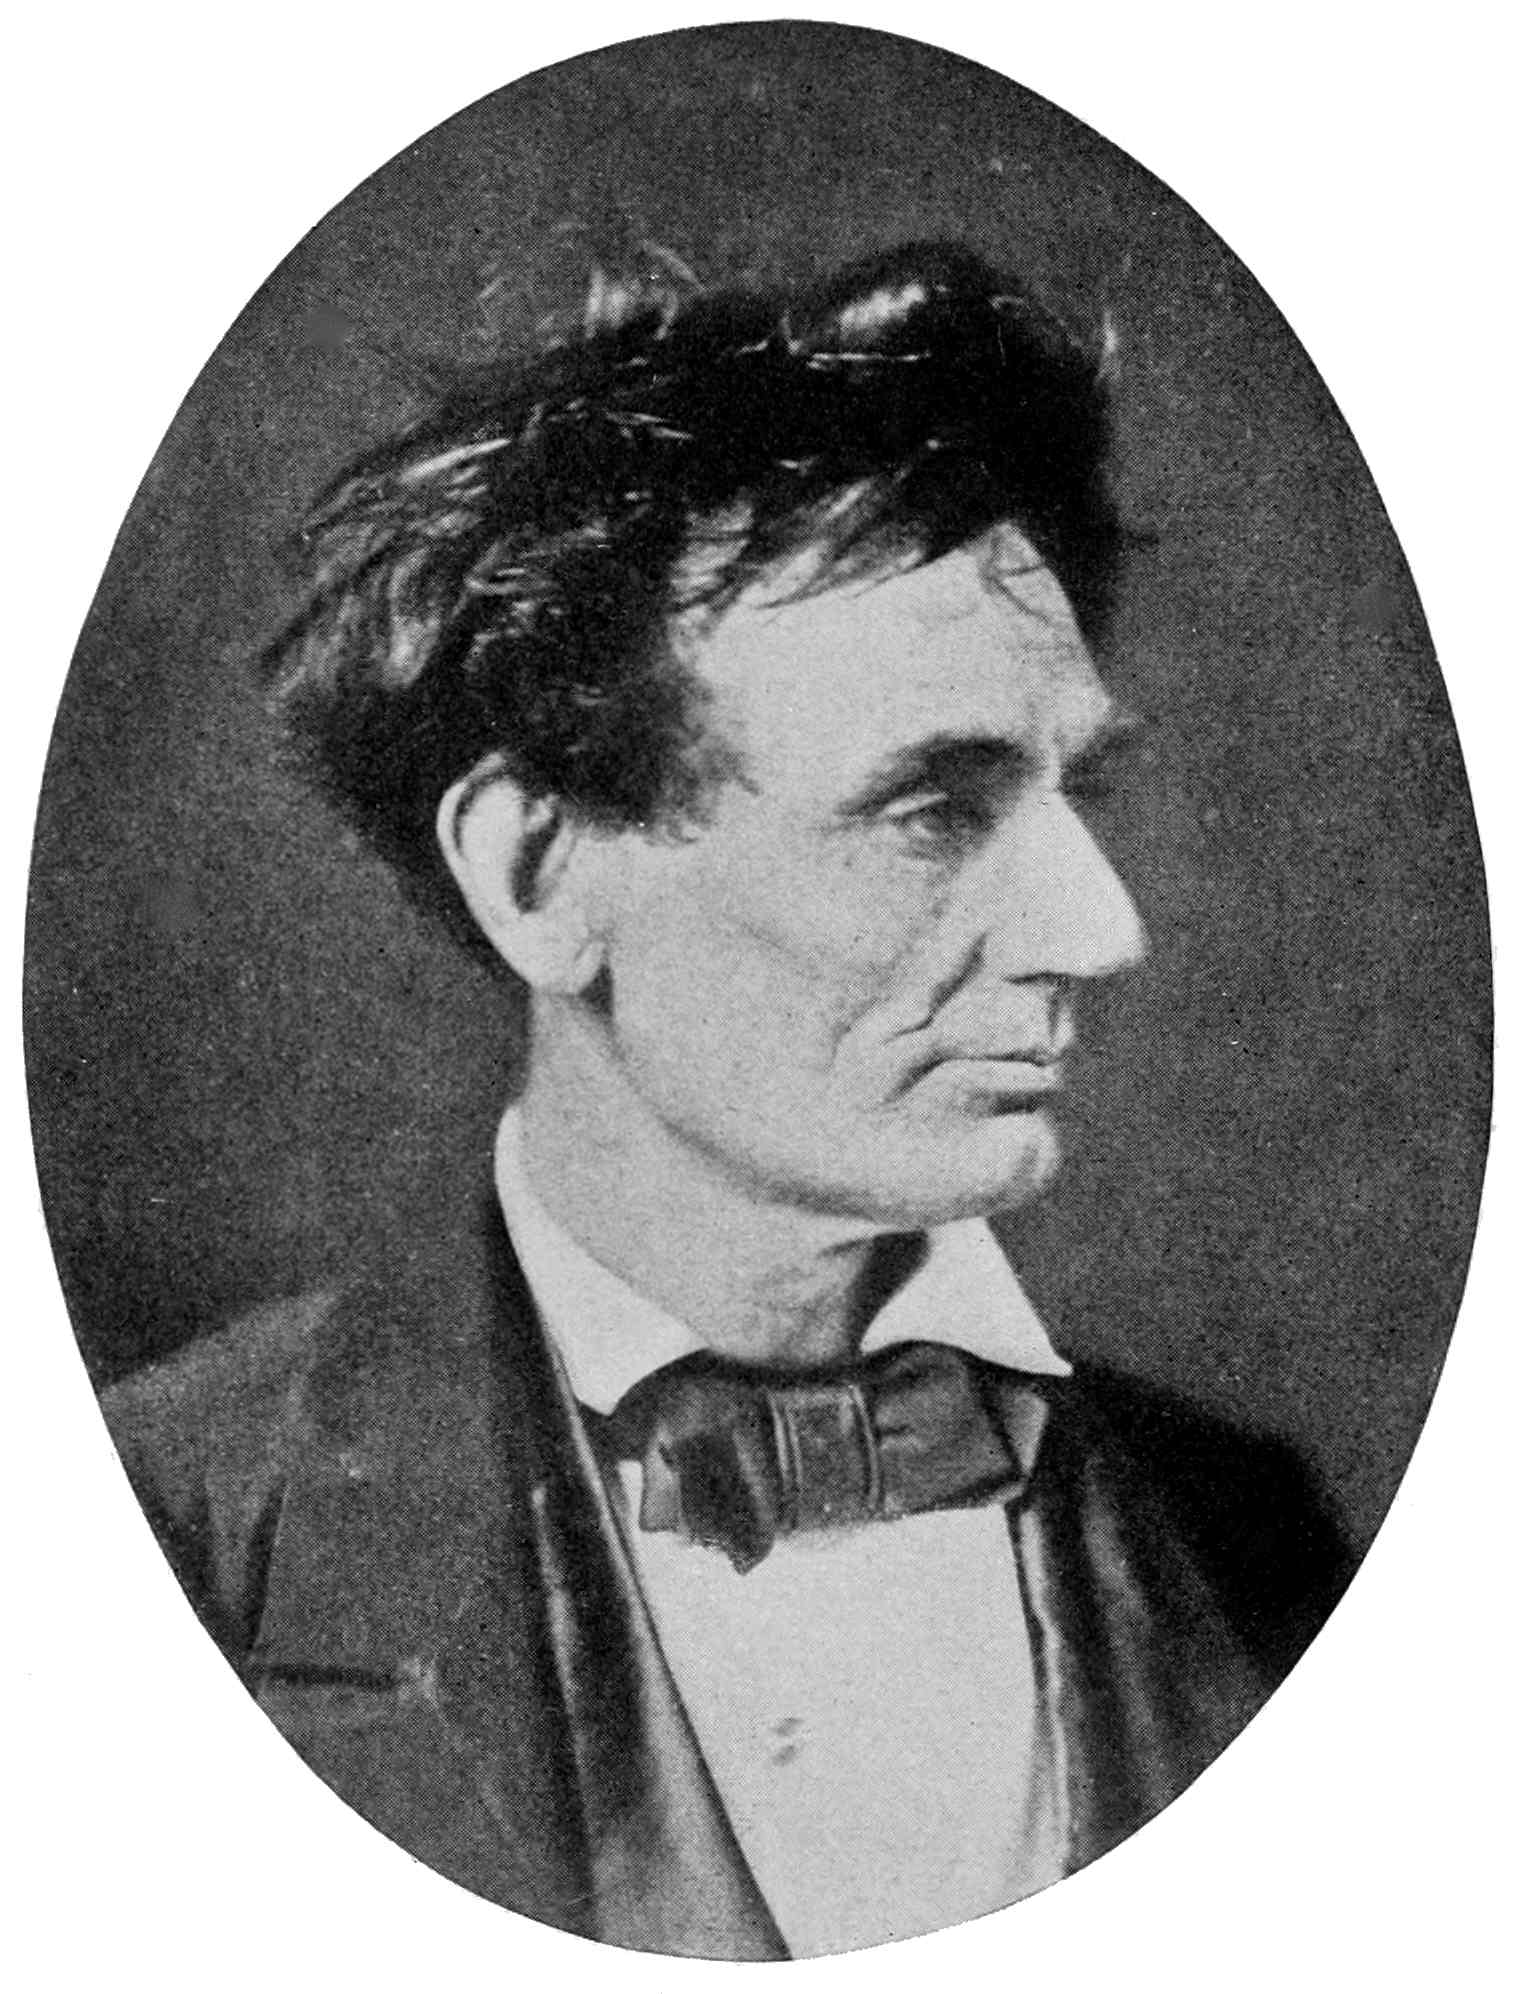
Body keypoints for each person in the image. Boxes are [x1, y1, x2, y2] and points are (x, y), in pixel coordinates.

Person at [103, 240, 1348, 1959]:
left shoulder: (1249, 1532)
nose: (1099, 926)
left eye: (1078, 793)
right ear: (540, 873)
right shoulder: (151, 1537)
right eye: (931, 809)